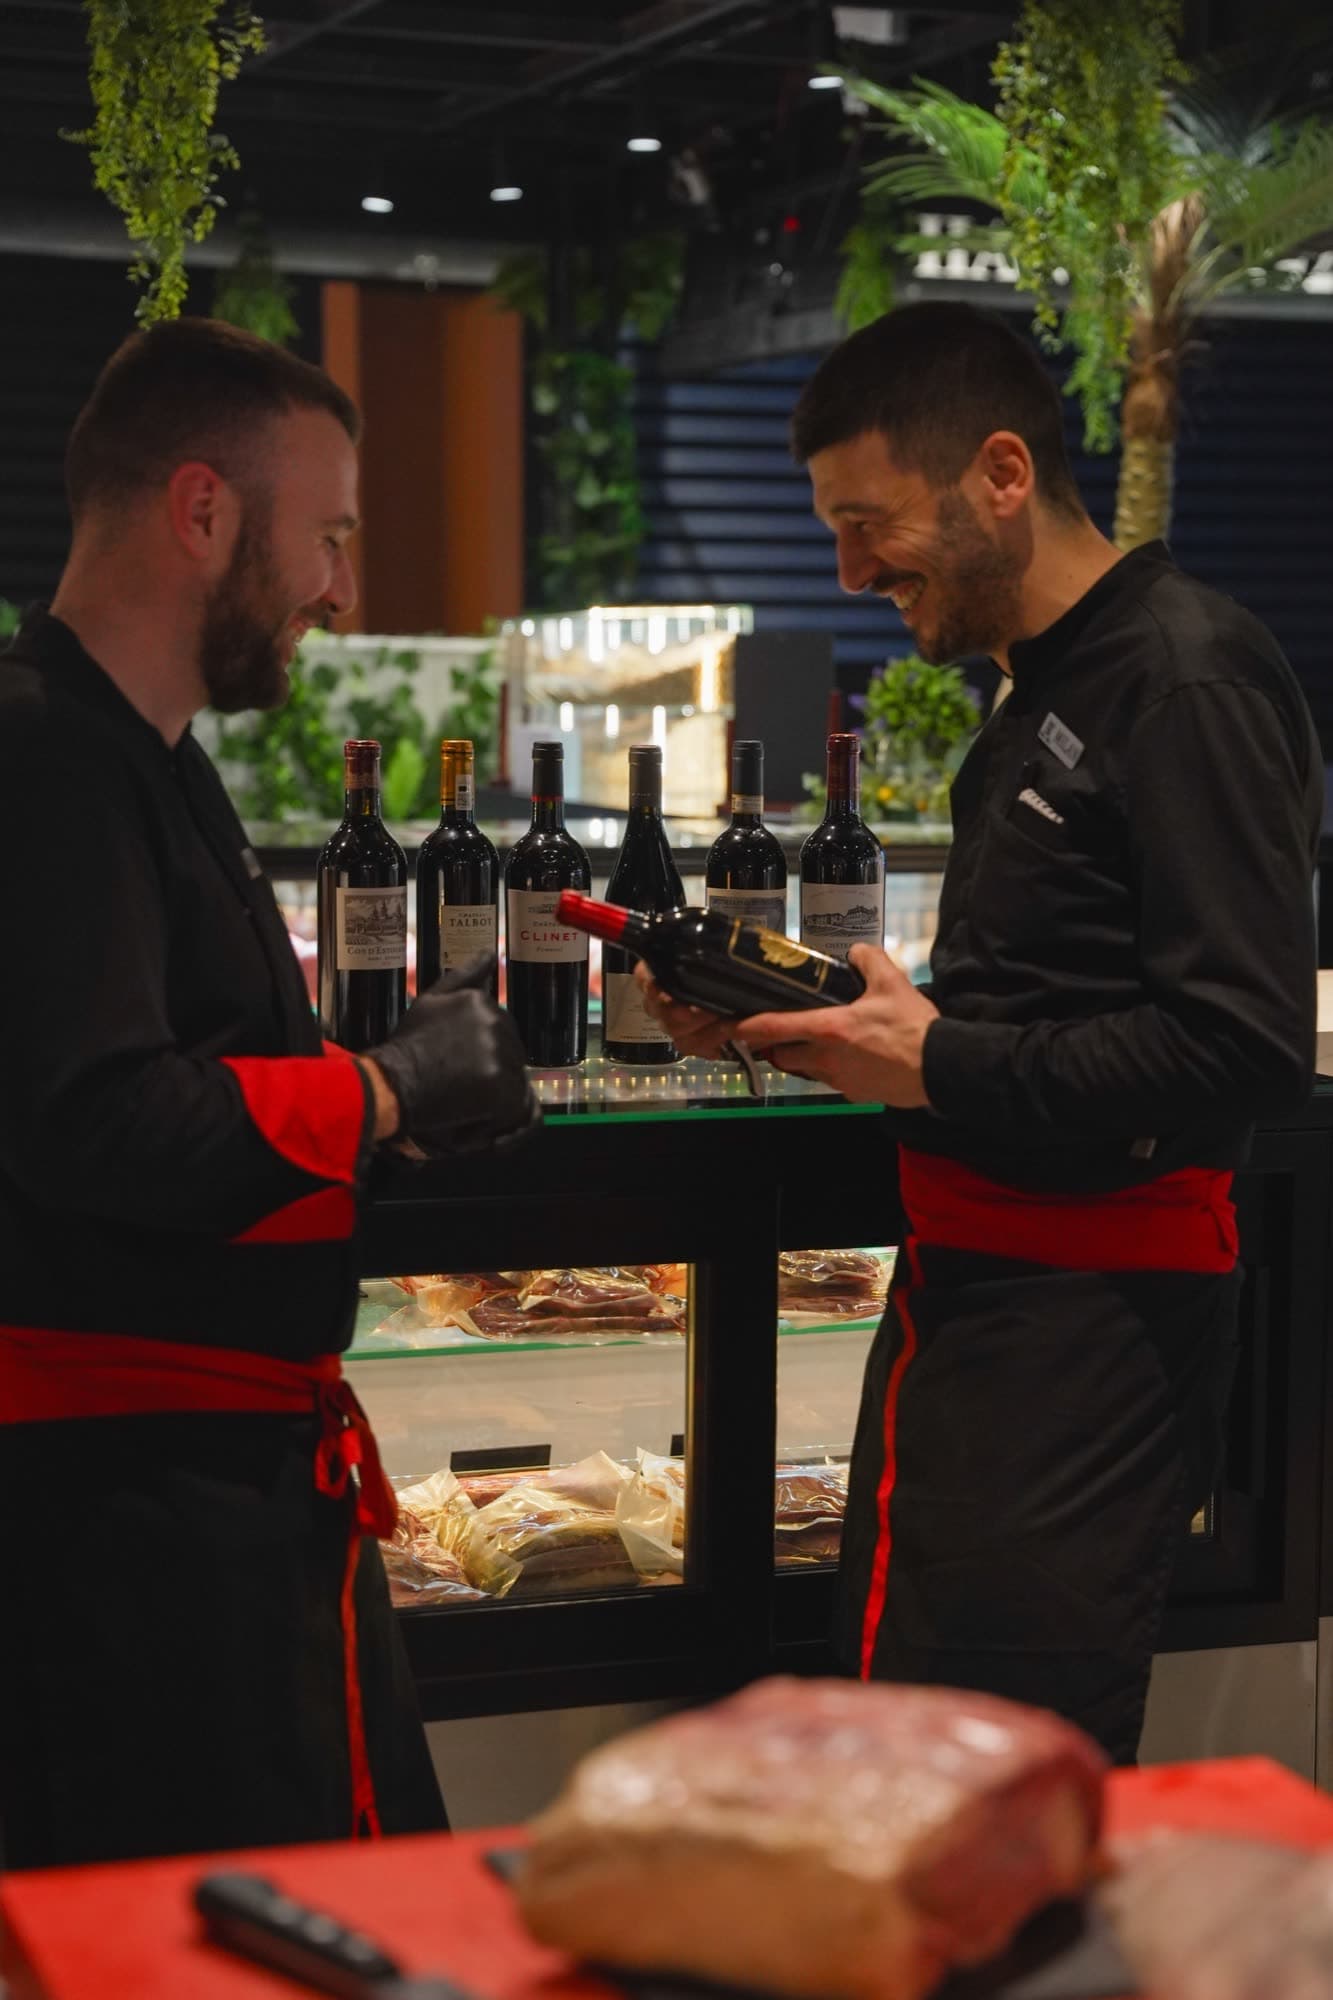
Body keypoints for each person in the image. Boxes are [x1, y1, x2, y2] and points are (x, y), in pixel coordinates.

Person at [643, 301, 1321, 1764]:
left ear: (1001, 474)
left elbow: (1244, 1041)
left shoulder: (1186, 676)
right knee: (903, 1741)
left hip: (1092, 1336)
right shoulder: (1039, 689)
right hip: (970, 1299)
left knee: (991, 1782)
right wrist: (808, 1025)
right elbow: (1039, 1010)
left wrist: (934, 1059)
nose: (849, 571)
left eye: (867, 524)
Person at [0, 318, 537, 1868]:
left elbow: (212, 1081)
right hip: (121, 1531)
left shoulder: (148, 755)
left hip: (215, 1496)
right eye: (330, 537)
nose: (340, 590)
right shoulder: (41, 754)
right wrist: (383, 1090)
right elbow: (96, 1121)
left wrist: (395, 1114)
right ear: (202, 511)